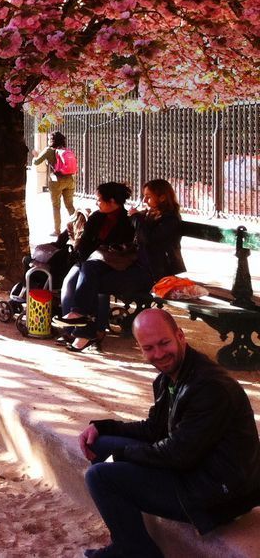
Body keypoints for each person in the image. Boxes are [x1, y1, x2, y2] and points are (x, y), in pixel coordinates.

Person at [79, 309, 260, 558]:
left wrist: (122, 455)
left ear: (180, 335)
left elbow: (177, 455)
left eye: (164, 343)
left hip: (219, 493)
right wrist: (103, 427)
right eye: (149, 348)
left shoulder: (209, 387)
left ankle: (135, 551)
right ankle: (128, 536)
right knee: (101, 443)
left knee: (99, 476)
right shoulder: (170, 377)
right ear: (140, 349)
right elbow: (154, 429)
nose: (159, 354)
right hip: (193, 469)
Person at [58, 181, 137, 352]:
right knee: (69, 283)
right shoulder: (96, 217)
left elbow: (120, 250)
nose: (97, 203)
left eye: (100, 200)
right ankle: (72, 329)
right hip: (89, 262)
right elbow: (84, 243)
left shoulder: (126, 222)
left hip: (111, 265)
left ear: (113, 202)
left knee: (96, 287)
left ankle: (94, 331)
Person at [34, 131, 78, 236]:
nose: (48, 141)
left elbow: (36, 162)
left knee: (56, 206)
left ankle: (57, 230)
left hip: (56, 181)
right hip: (70, 180)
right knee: (70, 206)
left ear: (52, 140)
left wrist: (36, 155)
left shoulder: (49, 150)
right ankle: (78, 228)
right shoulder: (65, 150)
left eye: (49, 139)